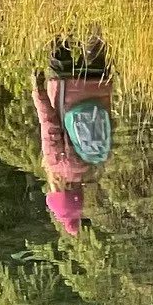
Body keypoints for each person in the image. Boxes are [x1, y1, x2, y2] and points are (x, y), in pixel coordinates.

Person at [32, 40, 114, 236]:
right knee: (59, 37)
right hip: (66, 85)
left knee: (95, 40)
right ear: (58, 190)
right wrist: (38, 92)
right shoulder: (56, 163)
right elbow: (48, 122)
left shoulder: (92, 162)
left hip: (99, 86)